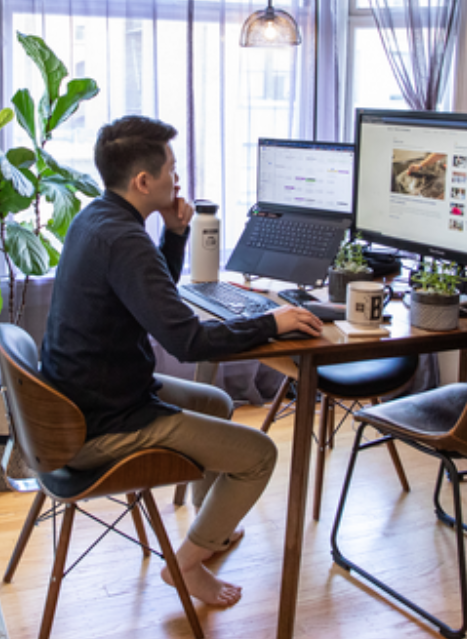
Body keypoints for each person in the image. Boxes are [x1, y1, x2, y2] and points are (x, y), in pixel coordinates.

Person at [41, 115, 322, 607]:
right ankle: (185, 565)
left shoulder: (97, 218)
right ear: (142, 181)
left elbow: (154, 299)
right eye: (171, 168)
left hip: (82, 403)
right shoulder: (124, 241)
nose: (176, 178)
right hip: (102, 425)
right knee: (260, 455)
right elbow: (188, 341)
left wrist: (174, 234)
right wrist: (271, 323)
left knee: (215, 403)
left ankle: (209, 528)